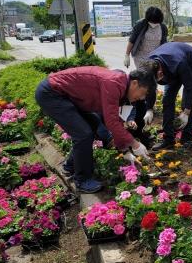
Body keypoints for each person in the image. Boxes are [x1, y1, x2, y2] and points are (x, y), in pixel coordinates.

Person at [35, 66, 155, 194]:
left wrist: (125, 150)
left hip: (65, 96)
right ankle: (82, 180)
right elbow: (112, 122)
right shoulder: (114, 83)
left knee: (92, 123)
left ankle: (70, 166)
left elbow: (112, 119)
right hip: (52, 94)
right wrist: (135, 144)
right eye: (143, 93)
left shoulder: (121, 85)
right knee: (83, 134)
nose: (142, 98)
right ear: (135, 83)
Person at [142, 42, 192, 150]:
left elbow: (190, 88)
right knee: (167, 100)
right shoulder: (149, 65)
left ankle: (187, 138)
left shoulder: (179, 63)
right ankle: (168, 139)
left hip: (191, 63)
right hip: (170, 67)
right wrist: (149, 109)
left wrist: (186, 112)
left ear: (160, 73)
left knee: (186, 102)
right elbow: (150, 87)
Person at [123, 6, 168, 135]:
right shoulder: (141, 24)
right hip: (141, 57)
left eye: (156, 22)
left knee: (152, 82)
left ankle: (147, 106)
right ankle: (144, 106)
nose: (154, 24)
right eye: (152, 22)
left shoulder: (162, 27)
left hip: (155, 57)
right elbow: (132, 40)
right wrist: (127, 55)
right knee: (148, 81)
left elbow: (164, 43)